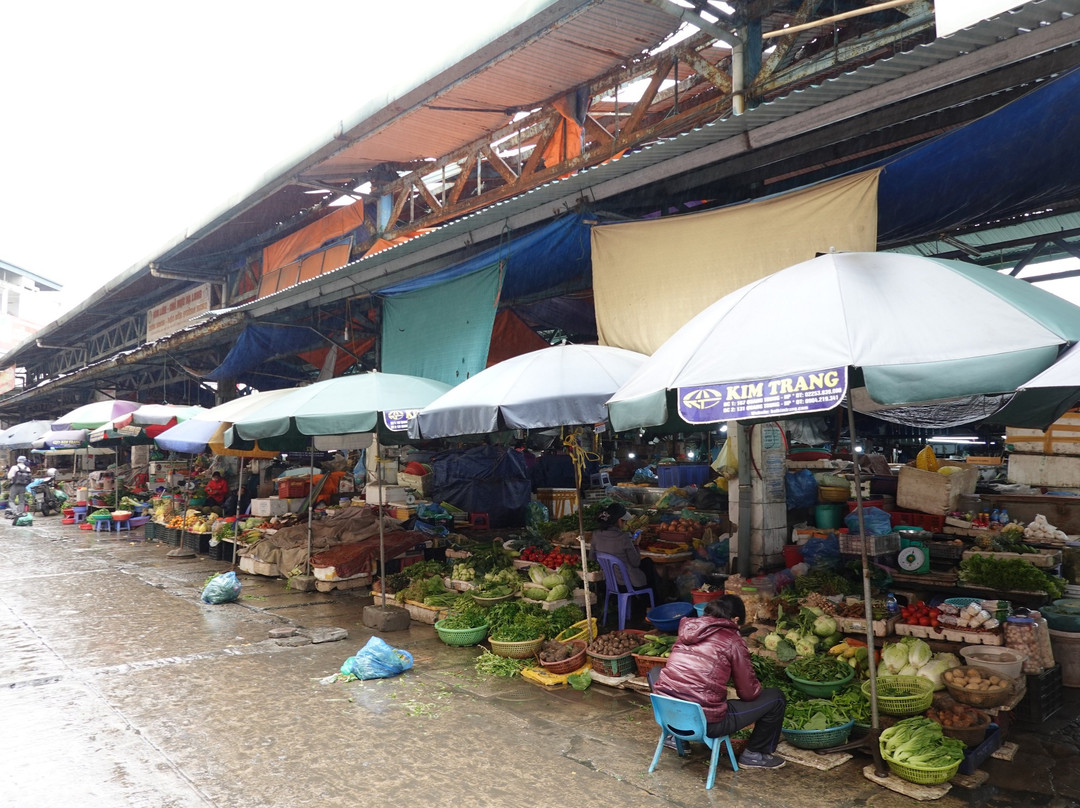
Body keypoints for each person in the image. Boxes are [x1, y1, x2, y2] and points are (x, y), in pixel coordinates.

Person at [653, 595, 787, 769]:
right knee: (776, 697)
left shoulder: (686, 631)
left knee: (657, 673)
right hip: (708, 723)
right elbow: (748, 693)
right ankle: (755, 753)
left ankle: (676, 737)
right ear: (736, 619)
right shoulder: (732, 639)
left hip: (669, 716)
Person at [589, 502, 662, 594]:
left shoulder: (596, 534)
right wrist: (636, 544)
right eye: (624, 521)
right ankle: (649, 602)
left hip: (609, 581)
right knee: (647, 563)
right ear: (619, 520)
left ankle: (646, 601)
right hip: (625, 583)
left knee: (646, 563)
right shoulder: (623, 537)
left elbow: (592, 558)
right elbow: (635, 562)